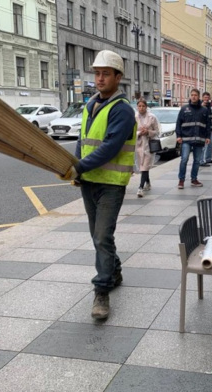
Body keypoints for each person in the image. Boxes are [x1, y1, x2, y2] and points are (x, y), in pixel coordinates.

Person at [56, 50, 136, 320]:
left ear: (117, 77)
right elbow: (84, 139)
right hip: (90, 182)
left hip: (111, 184)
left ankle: (102, 290)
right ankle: (113, 269)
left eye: (105, 74)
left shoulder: (122, 110)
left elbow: (111, 148)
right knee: (97, 236)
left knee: (102, 236)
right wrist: (77, 167)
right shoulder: (91, 105)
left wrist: (77, 166)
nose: (100, 78)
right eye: (97, 73)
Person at [175, 88, 210, 189]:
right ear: (190, 96)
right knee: (184, 159)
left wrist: (207, 137)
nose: (193, 97)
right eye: (192, 95)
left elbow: (208, 124)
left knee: (197, 160)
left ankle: (194, 179)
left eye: (195, 95)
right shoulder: (184, 109)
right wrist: (178, 136)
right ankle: (181, 180)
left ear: (198, 97)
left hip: (199, 139)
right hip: (186, 139)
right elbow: (178, 123)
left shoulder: (204, 110)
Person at [134, 100, 159, 197]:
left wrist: (148, 132)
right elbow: (131, 131)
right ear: (137, 107)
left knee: (145, 166)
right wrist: (139, 133)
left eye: (143, 106)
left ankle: (140, 188)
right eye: (139, 106)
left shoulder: (152, 117)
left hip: (148, 145)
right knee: (143, 166)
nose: (141, 108)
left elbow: (156, 131)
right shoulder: (134, 118)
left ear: (146, 107)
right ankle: (147, 183)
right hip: (139, 144)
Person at [199, 92, 212, 167]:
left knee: (210, 144)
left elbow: (209, 118)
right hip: (202, 129)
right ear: (202, 98)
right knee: (204, 145)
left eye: (207, 97)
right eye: (205, 97)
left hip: (208, 128)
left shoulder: (209, 106)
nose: (206, 99)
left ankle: (208, 158)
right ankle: (201, 161)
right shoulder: (200, 106)